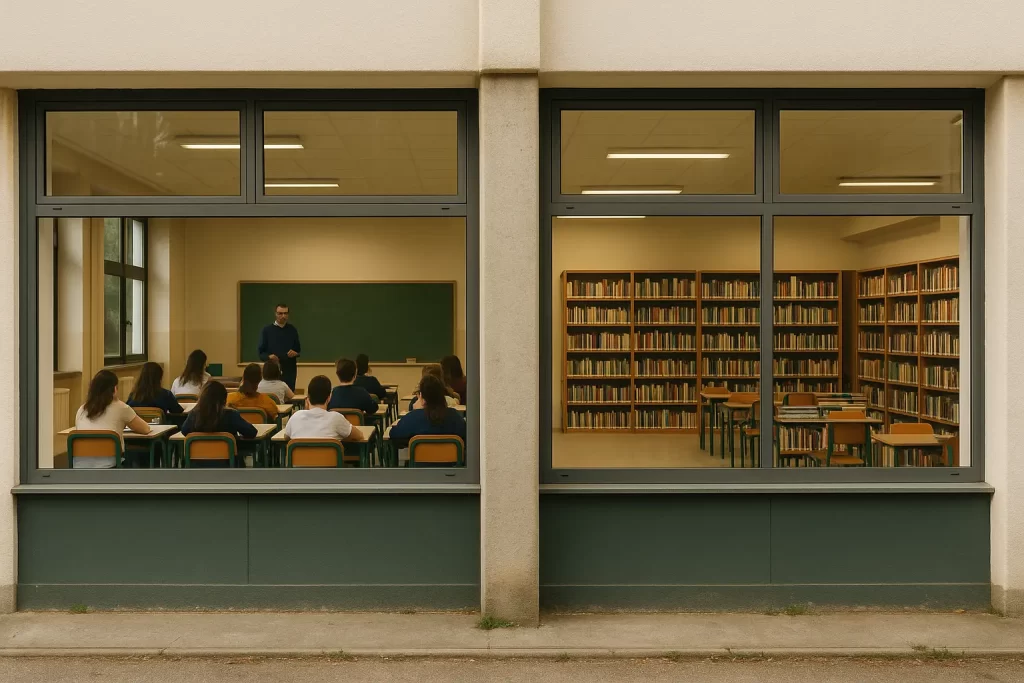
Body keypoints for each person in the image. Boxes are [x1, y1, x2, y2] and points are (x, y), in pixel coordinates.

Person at [73, 369, 151, 468]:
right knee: (133, 455)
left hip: (80, 465)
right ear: (114, 389)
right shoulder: (121, 407)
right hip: (109, 465)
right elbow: (145, 429)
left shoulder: (82, 409)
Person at [180, 381, 257, 467]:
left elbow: (184, 431)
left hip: (198, 466)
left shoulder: (194, 414)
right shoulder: (230, 415)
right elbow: (252, 432)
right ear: (224, 399)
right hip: (227, 465)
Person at [389, 375, 467, 458]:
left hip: (420, 468)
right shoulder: (455, 416)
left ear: (421, 396)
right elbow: (466, 436)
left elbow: (394, 434)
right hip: (451, 468)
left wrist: (415, 412)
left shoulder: (413, 417)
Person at [284, 375, 367, 443]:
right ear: (329, 398)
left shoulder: (296, 417)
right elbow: (359, 436)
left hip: (300, 463)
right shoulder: (336, 418)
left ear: (308, 398)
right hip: (329, 463)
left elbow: (286, 436)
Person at [257, 303, 301, 390]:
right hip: (272, 370)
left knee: (289, 396)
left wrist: (295, 353)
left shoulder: (292, 330)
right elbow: (261, 353)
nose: (283, 316)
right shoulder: (267, 330)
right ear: (275, 314)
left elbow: (298, 349)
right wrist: (269, 356)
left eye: (285, 313)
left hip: (289, 370)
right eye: (280, 313)